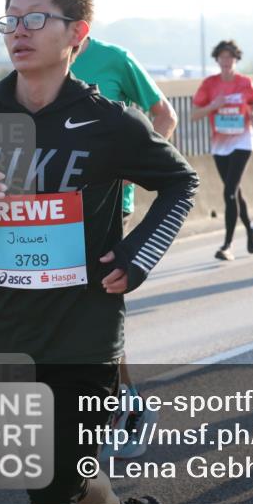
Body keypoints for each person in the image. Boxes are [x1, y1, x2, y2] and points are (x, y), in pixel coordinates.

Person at [0, 0, 199, 504]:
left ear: (77, 33)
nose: (19, 31)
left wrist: (138, 255)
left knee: (49, 497)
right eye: (11, 20)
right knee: (57, 471)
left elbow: (180, 182)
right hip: (9, 331)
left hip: (86, 331)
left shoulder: (108, 121)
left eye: (36, 19)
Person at [72, 36, 177, 460]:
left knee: (95, 307)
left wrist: (134, 167)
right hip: (52, 213)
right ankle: (114, 404)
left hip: (110, 207)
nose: (26, 28)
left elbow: (164, 116)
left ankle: (123, 408)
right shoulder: (37, 68)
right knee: (68, 313)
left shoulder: (114, 60)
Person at [190, 40, 253, 261]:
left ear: (236, 59)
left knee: (229, 191)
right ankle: (250, 230)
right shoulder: (209, 84)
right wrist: (214, 105)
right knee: (235, 192)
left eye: (230, 57)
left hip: (242, 141)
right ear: (217, 60)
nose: (226, 61)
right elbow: (194, 115)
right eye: (222, 57)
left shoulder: (246, 83)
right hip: (220, 144)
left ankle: (227, 246)